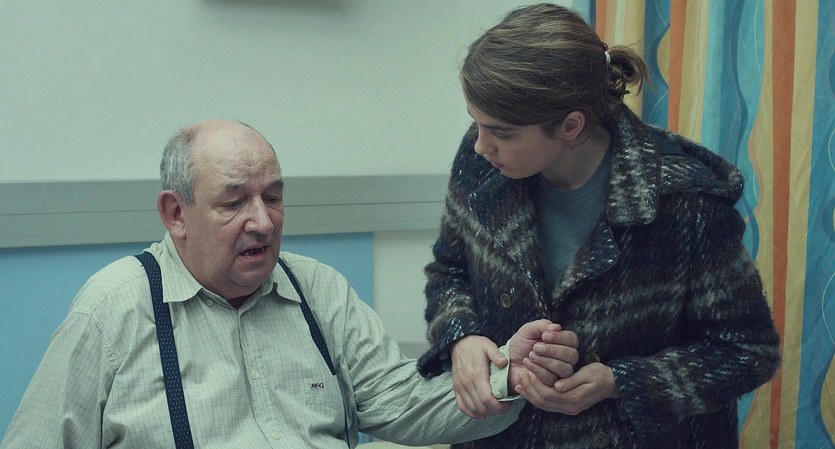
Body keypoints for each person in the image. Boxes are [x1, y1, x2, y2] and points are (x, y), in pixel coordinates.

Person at [0, 119, 581, 449]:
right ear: (176, 214)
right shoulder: (115, 306)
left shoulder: (317, 290)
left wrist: (510, 374)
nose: (262, 221)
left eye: (273, 197)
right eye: (234, 202)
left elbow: (402, 402)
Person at [416, 3, 781, 449]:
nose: (480, 145)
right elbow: (449, 271)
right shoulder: (483, 164)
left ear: (570, 126)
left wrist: (619, 382)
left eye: (502, 132)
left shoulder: (685, 201)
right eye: (478, 125)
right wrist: (463, 338)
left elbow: (747, 351)